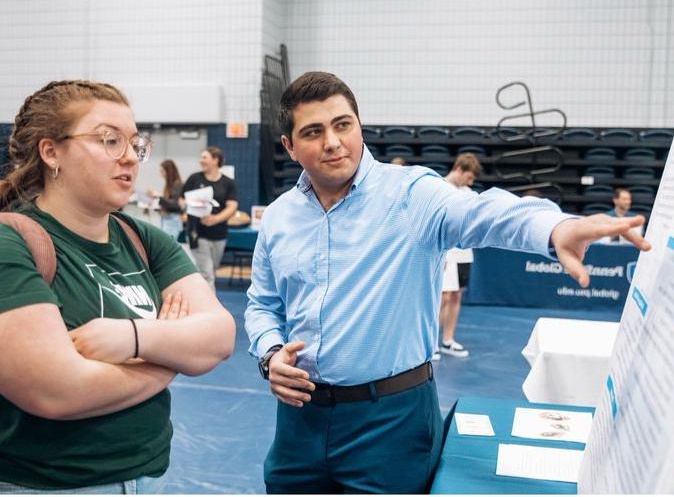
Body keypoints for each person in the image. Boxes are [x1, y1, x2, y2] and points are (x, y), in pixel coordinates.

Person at [244, 71, 650, 494]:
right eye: (313, 131)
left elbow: (486, 214)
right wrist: (270, 353)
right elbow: (262, 305)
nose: (332, 141)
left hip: (389, 422)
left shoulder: (412, 195)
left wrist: (555, 228)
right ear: (290, 147)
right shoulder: (279, 217)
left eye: (342, 124)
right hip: (299, 418)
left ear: (359, 126)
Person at [0, 80, 236, 493]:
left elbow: (218, 337)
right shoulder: (13, 242)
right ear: (51, 151)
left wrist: (131, 338)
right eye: (109, 140)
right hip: (49, 485)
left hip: (147, 479)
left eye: (134, 143)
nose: (129, 157)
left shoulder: (142, 239)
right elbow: (56, 391)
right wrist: (168, 356)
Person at [436, 153, 482, 360]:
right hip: (447, 252)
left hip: (465, 253)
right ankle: (431, 344)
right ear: (460, 169)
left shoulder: (469, 194)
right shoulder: (439, 188)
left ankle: (448, 340)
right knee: (442, 297)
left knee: (456, 296)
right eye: (469, 177)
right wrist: (441, 254)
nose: (470, 182)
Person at [182, 147, 238, 291]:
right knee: (207, 273)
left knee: (211, 269)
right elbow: (182, 200)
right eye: (201, 157)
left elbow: (232, 206)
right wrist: (189, 205)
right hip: (197, 232)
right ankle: (210, 307)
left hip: (219, 233)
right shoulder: (194, 178)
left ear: (215, 160)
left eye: (205, 157)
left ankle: (198, 297)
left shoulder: (228, 183)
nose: (201, 160)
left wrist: (216, 218)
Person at [148, 159, 183, 241]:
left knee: (168, 246)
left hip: (173, 221)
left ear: (169, 171)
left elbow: (175, 205)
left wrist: (158, 197)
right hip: (167, 219)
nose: (161, 174)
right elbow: (168, 204)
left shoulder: (177, 184)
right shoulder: (169, 185)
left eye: (162, 171)